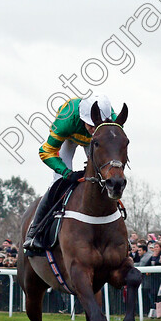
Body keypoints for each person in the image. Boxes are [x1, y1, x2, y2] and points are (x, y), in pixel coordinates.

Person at [23, 94, 117, 251]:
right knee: (59, 181)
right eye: (90, 125)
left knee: (107, 178)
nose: (93, 130)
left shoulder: (111, 118)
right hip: (69, 137)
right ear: (83, 119)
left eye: (97, 126)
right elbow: (45, 151)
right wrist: (66, 172)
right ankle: (35, 232)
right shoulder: (66, 121)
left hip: (96, 143)